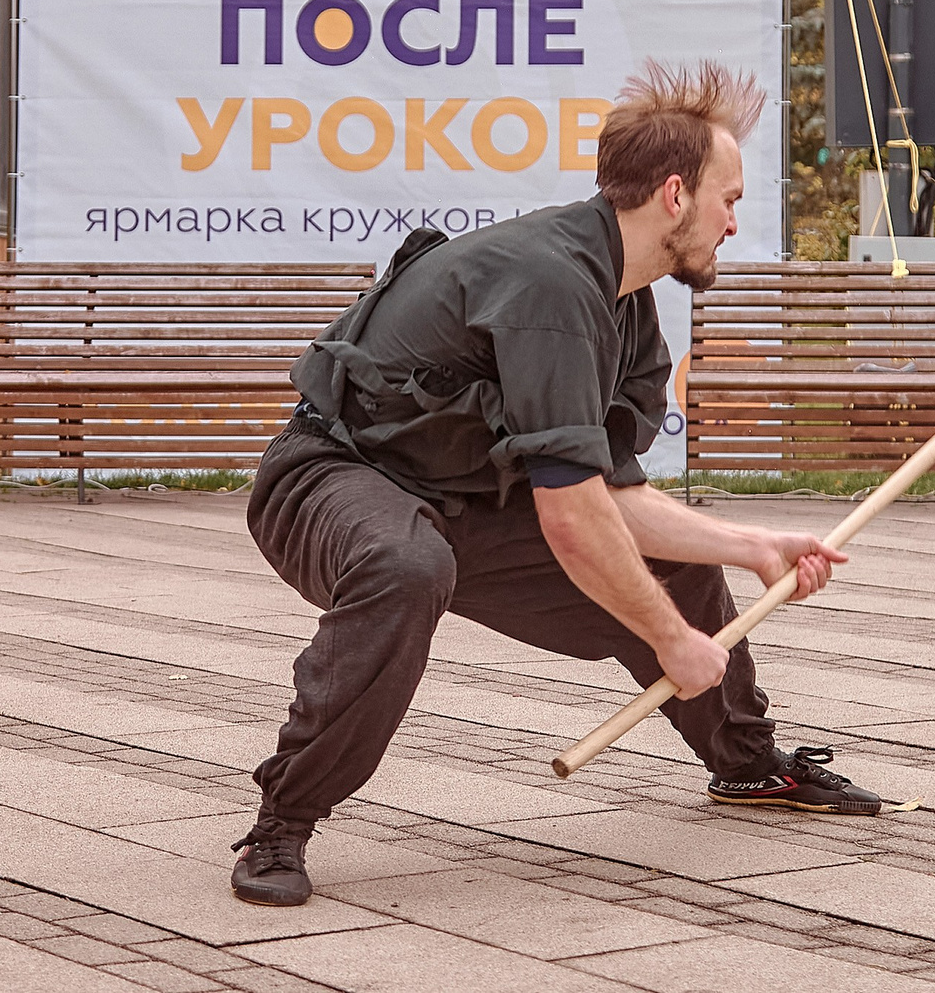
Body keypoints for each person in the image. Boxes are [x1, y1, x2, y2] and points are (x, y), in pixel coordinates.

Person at [231, 61, 882, 908]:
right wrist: (674, 642)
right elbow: (573, 519)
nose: (735, 219)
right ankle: (283, 821)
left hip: (457, 500)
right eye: (730, 197)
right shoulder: (550, 282)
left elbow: (613, 499)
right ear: (676, 196)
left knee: (671, 571)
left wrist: (753, 547)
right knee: (406, 568)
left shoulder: (628, 303)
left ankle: (749, 768)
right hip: (331, 478)